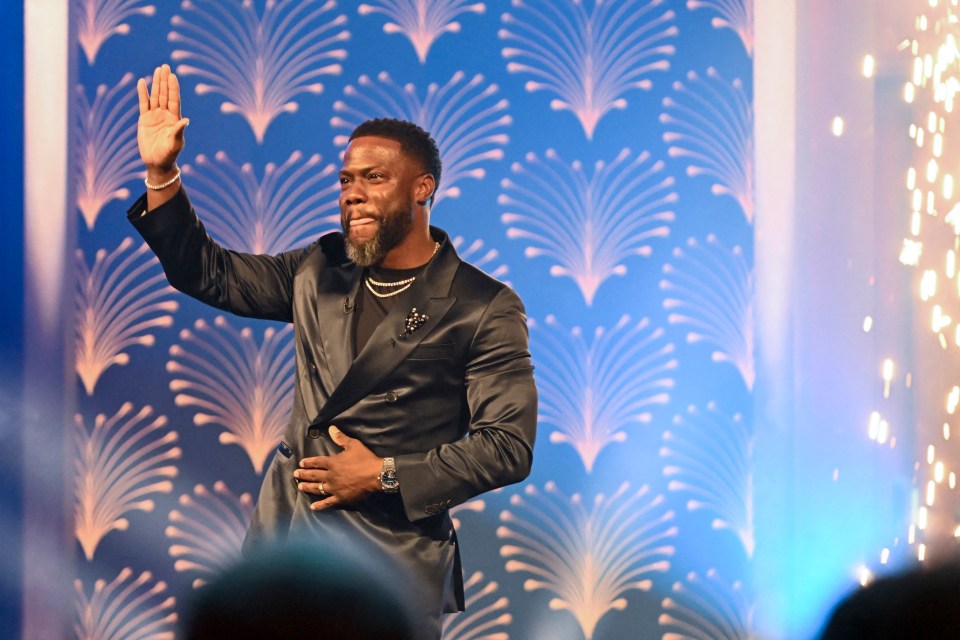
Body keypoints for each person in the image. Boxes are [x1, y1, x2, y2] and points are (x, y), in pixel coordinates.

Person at [129, 64, 537, 639]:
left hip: (388, 566)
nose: (353, 195)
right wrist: (163, 173)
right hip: (284, 547)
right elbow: (210, 273)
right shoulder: (320, 267)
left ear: (423, 189)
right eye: (346, 181)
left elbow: (507, 448)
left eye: (373, 178)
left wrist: (385, 474)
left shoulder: (480, 305)